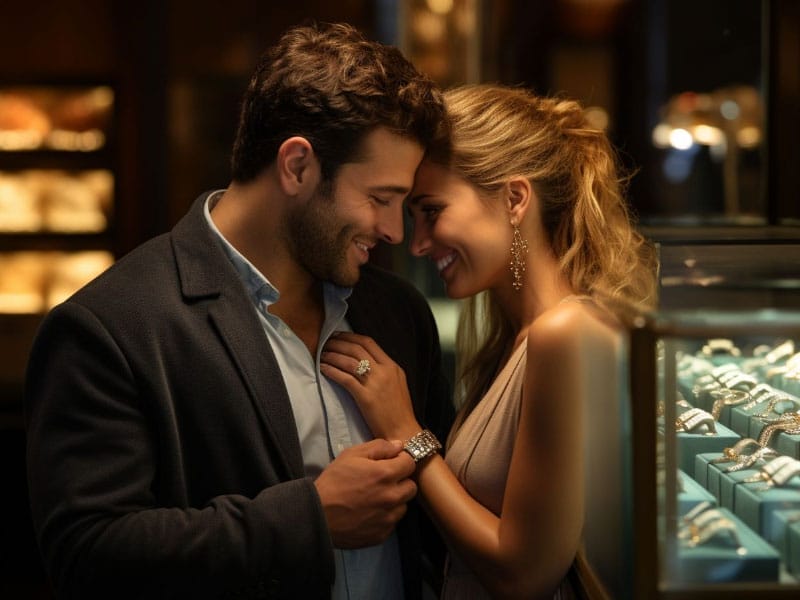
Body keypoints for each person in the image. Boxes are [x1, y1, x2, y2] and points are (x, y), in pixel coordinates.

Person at [25, 22, 454, 599]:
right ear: (297, 165)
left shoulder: (398, 312)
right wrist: (309, 521)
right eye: (380, 198)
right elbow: (87, 553)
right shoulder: (111, 326)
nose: (394, 231)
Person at [321, 84, 658, 599]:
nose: (416, 242)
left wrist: (407, 432)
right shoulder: (519, 336)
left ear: (515, 199)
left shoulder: (563, 334)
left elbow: (524, 573)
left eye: (431, 211)